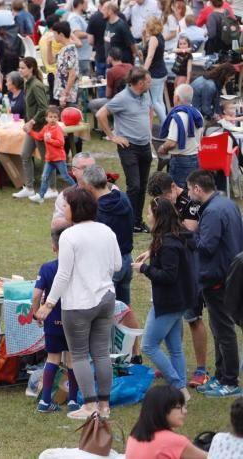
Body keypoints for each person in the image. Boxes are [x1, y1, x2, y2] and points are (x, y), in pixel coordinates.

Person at [35, 187, 121, 420]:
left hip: (79, 304)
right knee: (101, 353)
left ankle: (90, 405)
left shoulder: (69, 236)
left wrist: (48, 304)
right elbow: (117, 265)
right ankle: (104, 406)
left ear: (76, 208)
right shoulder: (107, 231)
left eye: (66, 205)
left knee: (80, 354)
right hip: (105, 298)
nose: (63, 209)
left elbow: (63, 275)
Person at [132, 198, 197, 399]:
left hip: (168, 303)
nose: (147, 216)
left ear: (159, 216)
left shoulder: (168, 244)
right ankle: (179, 387)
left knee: (148, 346)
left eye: (150, 213)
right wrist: (150, 252)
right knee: (175, 348)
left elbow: (168, 276)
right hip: (180, 300)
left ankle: (179, 387)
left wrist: (144, 268)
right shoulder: (175, 236)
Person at [187, 170, 243, 398]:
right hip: (228, 273)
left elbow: (207, 246)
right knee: (219, 328)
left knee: (223, 331)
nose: (189, 193)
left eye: (189, 189)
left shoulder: (211, 212)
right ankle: (221, 376)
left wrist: (189, 236)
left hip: (218, 278)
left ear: (198, 188)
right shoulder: (227, 204)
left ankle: (229, 380)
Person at [96, 68, 153, 232]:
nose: (151, 83)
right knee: (134, 186)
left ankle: (136, 222)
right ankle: (126, 221)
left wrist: (147, 131)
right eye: (148, 81)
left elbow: (149, 111)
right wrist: (113, 136)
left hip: (145, 146)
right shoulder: (122, 98)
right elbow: (101, 114)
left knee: (142, 186)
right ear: (140, 83)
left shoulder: (145, 94)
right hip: (129, 147)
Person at [32, 226, 81, 413]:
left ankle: (45, 401)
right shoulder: (78, 269)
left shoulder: (47, 268)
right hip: (73, 319)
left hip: (53, 319)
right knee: (72, 360)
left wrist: (37, 312)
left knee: (52, 358)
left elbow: (36, 295)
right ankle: (73, 401)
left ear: (54, 247)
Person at [82, 165, 136, 307]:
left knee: (105, 313)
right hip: (127, 260)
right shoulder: (123, 198)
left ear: (89, 187)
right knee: (124, 310)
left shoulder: (98, 212)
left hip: (109, 265)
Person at [125, 385, 207, 459]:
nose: (185, 411)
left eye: (184, 407)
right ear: (161, 410)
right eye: (179, 407)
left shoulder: (135, 434)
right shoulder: (172, 440)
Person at [25, 106, 77, 203]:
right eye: (50, 117)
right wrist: (30, 132)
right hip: (50, 159)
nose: (52, 119)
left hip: (59, 158)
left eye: (55, 117)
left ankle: (78, 191)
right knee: (44, 177)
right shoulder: (46, 128)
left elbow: (61, 143)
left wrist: (50, 141)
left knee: (65, 176)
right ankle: (41, 196)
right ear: (46, 118)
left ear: (58, 118)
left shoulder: (57, 130)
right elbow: (39, 136)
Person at [159, 85, 203, 190]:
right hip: (195, 157)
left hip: (181, 160)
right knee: (193, 191)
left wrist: (163, 148)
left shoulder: (178, 116)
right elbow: (200, 137)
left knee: (178, 192)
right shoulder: (197, 114)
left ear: (177, 98)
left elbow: (171, 143)